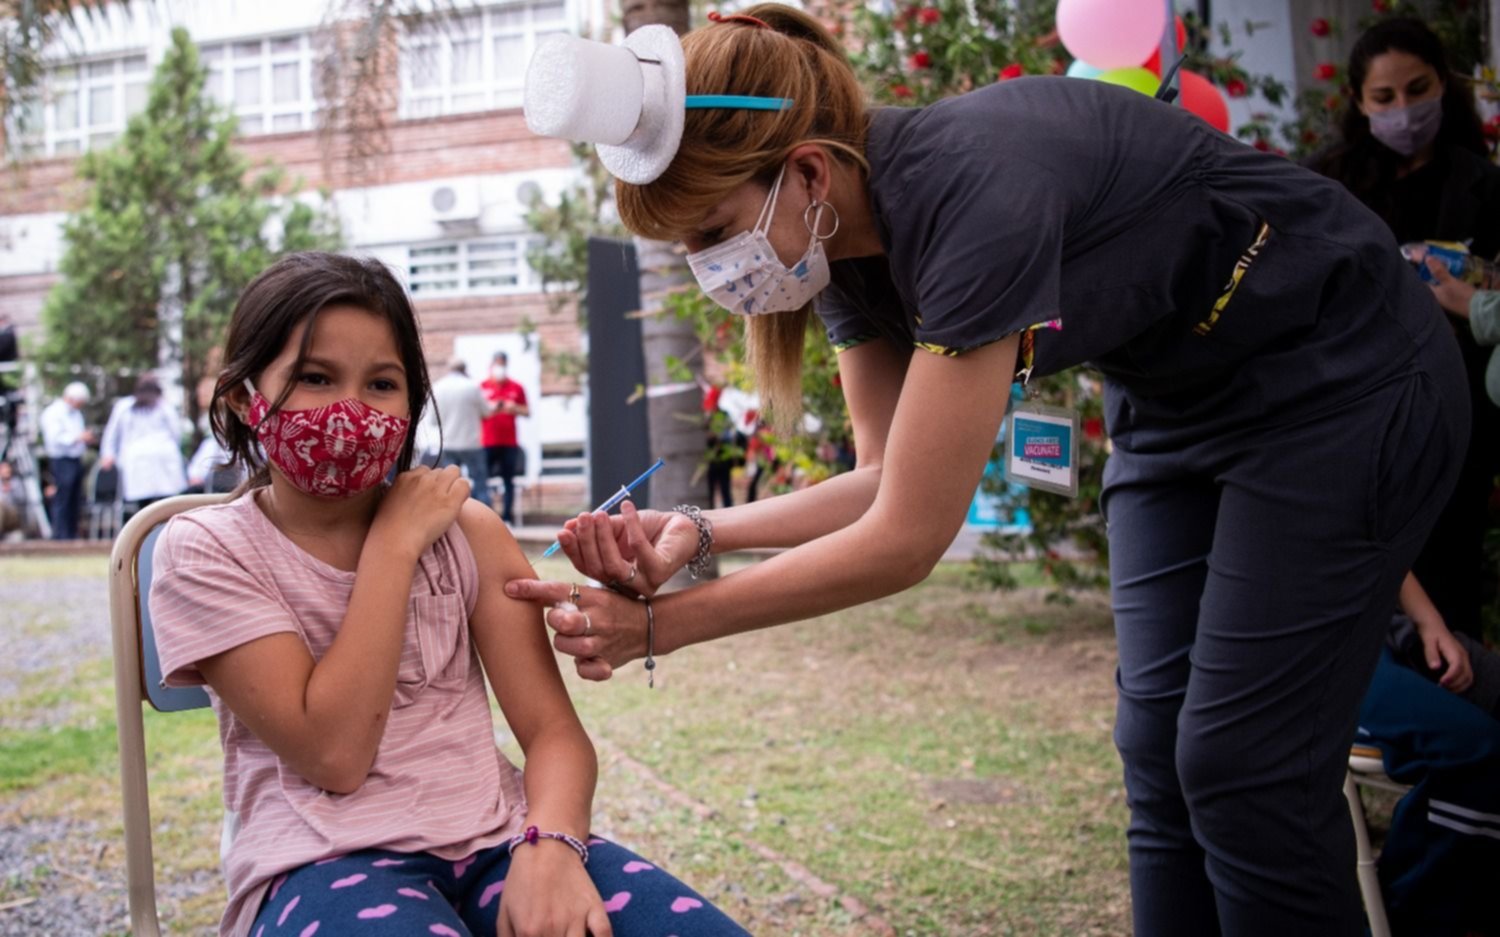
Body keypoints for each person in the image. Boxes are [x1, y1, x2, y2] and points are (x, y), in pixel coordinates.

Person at [508, 8, 1471, 935]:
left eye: (712, 232)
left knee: (1243, 763)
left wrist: (663, 626)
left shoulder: (973, 186)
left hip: (1345, 372)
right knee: (1157, 756)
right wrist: (704, 529)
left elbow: (909, 538)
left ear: (804, 170)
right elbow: (885, 477)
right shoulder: (834, 245)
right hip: (1178, 408)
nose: (711, 270)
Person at [148, 252, 747, 937]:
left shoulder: (467, 533)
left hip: (502, 843)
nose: (352, 409)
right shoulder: (206, 549)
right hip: (322, 860)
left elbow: (555, 736)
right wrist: (394, 546)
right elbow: (335, 755)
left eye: (382, 382)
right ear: (240, 398)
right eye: (315, 377)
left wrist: (549, 846)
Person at [1307, 17, 1500, 642]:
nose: (1404, 110)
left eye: (1418, 90)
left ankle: (1463, 720)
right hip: (1358, 411)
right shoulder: (1325, 184)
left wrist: (1475, 300)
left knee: (1451, 577)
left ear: (1443, 84)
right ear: (1360, 103)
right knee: (1366, 580)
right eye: (1385, 98)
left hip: (1457, 413)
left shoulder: (1484, 185)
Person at [1357, 573, 1500, 937]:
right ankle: (1411, 915)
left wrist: (1429, 623)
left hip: (1385, 629)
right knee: (1475, 750)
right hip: (1313, 650)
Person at [101, 374, 186, 521]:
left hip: (149, 459)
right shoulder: (129, 406)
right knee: (158, 503)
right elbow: (176, 433)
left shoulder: (162, 407)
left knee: (155, 502)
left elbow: (111, 433)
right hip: (155, 457)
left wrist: (108, 454)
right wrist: (108, 453)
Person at [432, 357, 494, 503]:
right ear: (465, 369)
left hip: (448, 443)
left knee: (449, 485)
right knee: (480, 484)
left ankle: (454, 519)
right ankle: (483, 518)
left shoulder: (438, 387)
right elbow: (487, 412)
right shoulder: (472, 386)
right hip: (471, 443)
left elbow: (433, 421)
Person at [38, 381, 94, 540]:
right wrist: (78, 438)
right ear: (71, 398)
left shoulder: (75, 414)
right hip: (61, 459)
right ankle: (60, 535)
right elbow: (54, 438)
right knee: (63, 496)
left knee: (75, 497)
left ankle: (71, 532)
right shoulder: (53, 413)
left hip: (76, 458)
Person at [480, 351, 529, 523]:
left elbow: (527, 411)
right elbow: (476, 412)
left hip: (509, 442)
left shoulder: (516, 387)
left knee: (509, 480)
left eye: (502, 364)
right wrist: (492, 409)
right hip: (487, 441)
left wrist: (513, 407)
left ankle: (507, 516)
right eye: (497, 363)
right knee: (483, 479)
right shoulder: (482, 387)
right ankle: (486, 517)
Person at [0, 460, 27, 539]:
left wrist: (10, 489)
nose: (7, 470)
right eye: (4, 468)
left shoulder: (16, 482)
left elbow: (22, 499)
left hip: (13, 513)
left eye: (8, 468)